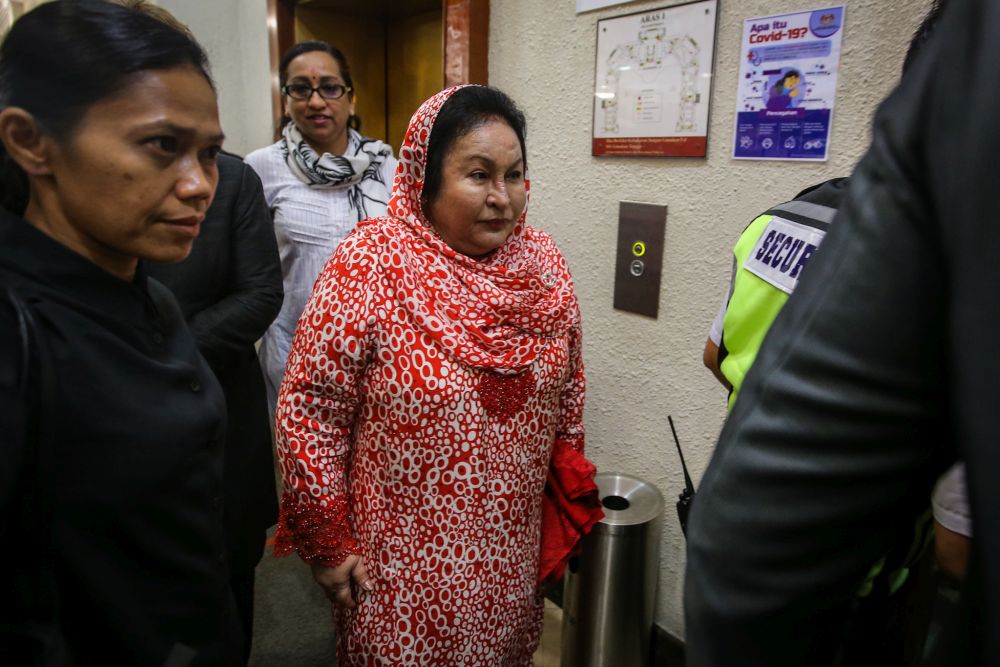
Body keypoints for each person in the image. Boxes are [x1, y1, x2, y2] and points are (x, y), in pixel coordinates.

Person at [684, 0, 1000, 663]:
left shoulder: (778, 218)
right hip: (851, 587)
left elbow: (716, 353)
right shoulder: (948, 266)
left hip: (741, 519)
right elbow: (959, 539)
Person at [272, 85, 595, 666]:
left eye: (514, 175)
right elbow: (311, 413)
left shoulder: (543, 266)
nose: (502, 197)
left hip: (507, 556)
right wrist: (326, 540)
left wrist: (563, 506)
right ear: (425, 178)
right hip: (397, 569)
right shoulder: (371, 264)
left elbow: (568, 393)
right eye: (478, 175)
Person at [0, 1, 241, 664]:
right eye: (162, 146)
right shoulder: (16, 326)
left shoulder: (152, 297)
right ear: (30, 141)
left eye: (210, 154)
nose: (199, 185)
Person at [245, 41, 397, 416]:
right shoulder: (260, 168)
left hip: (379, 357)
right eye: (300, 88)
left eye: (330, 88)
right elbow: (251, 272)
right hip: (293, 355)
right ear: (285, 99)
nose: (316, 102)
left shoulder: (387, 165)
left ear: (351, 97)